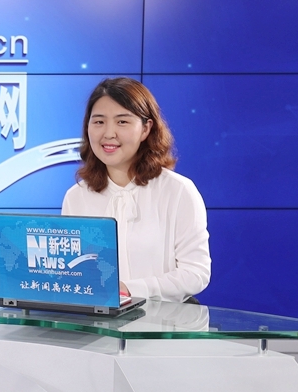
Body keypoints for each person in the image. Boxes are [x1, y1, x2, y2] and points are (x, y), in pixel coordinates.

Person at [61, 77, 210, 303]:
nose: (109, 133)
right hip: (98, 321)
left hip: (164, 320)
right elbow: (73, 273)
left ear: (145, 129)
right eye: (99, 121)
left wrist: (129, 290)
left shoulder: (178, 191)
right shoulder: (76, 197)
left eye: (122, 122)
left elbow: (196, 274)